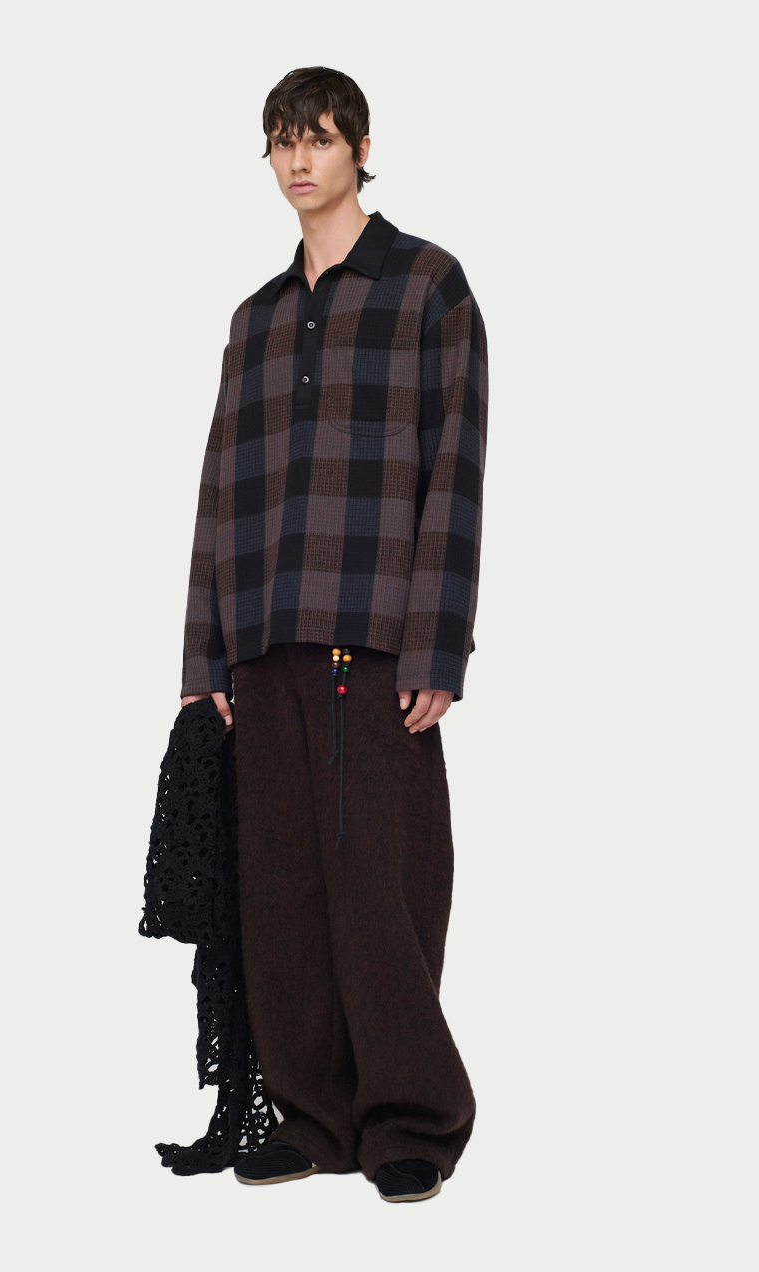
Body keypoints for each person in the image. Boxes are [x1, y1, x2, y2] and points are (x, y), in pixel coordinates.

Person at [178, 65, 488, 1204]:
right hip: (262, 643)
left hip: (375, 636)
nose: (298, 159)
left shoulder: (427, 286)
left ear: (359, 147)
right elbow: (219, 491)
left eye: (317, 137)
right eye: (280, 140)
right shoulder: (255, 319)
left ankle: (410, 1117)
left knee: (379, 887)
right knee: (282, 893)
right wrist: (203, 660)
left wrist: (437, 646)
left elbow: (455, 470)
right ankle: (312, 1116)